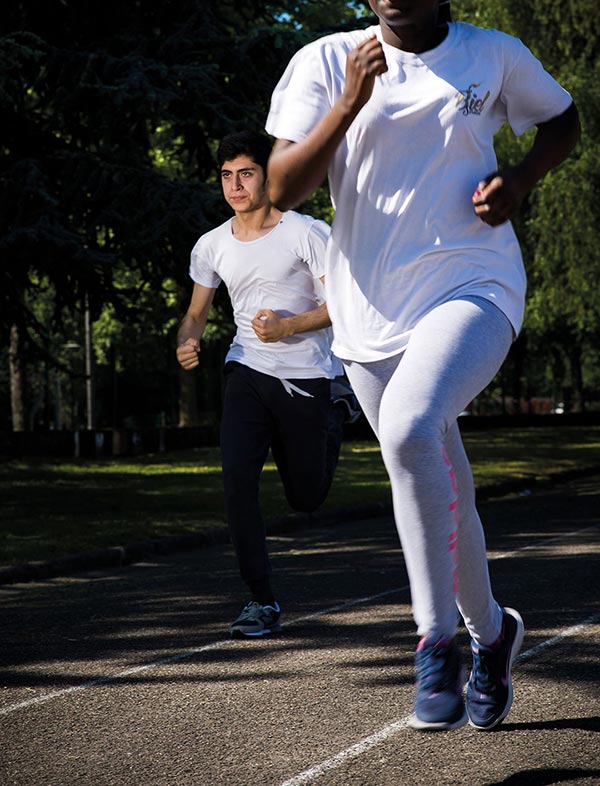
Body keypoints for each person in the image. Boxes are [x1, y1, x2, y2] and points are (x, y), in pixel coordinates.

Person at [265, 1, 580, 729]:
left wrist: (525, 176)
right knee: (442, 483)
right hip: (368, 315)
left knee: (410, 430)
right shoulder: (325, 60)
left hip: (475, 284)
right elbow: (282, 188)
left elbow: (562, 121)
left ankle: (434, 639)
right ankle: (491, 635)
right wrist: (349, 100)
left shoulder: (492, 54)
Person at [177, 131, 359, 639]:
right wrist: (186, 342)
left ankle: (336, 413)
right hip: (246, 372)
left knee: (306, 498)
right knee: (236, 481)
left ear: (267, 174)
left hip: (305, 377)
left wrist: (289, 326)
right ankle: (260, 600)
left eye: (246, 173)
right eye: (226, 175)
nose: (235, 185)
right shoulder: (211, 245)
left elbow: (344, 306)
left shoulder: (306, 232)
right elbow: (195, 315)